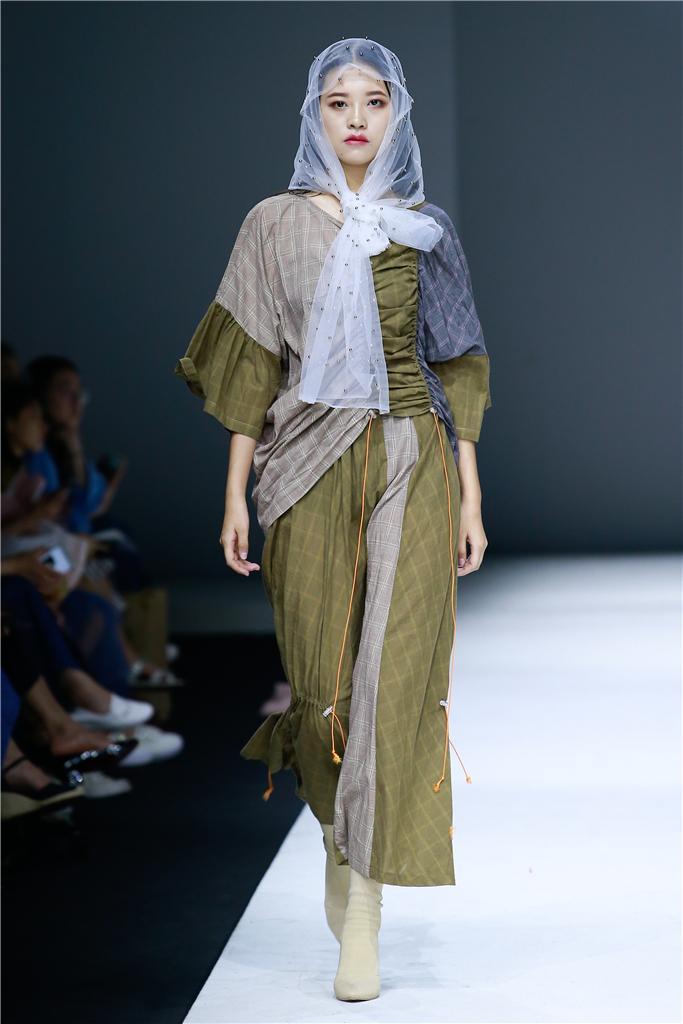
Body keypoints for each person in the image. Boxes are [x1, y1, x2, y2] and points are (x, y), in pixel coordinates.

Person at [176, 39, 490, 1002]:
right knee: (319, 687)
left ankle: (365, 911)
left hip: (412, 456)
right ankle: (333, 836)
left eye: (374, 100)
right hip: (306, 466)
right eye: (337, 101)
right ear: (313, 116)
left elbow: (453, 361)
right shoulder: (272, 224)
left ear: (397, 115)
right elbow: (250, 364)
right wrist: (234, 490)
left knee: (393, 681)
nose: (356, 118)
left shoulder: (425, 229)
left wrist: (470, 492)